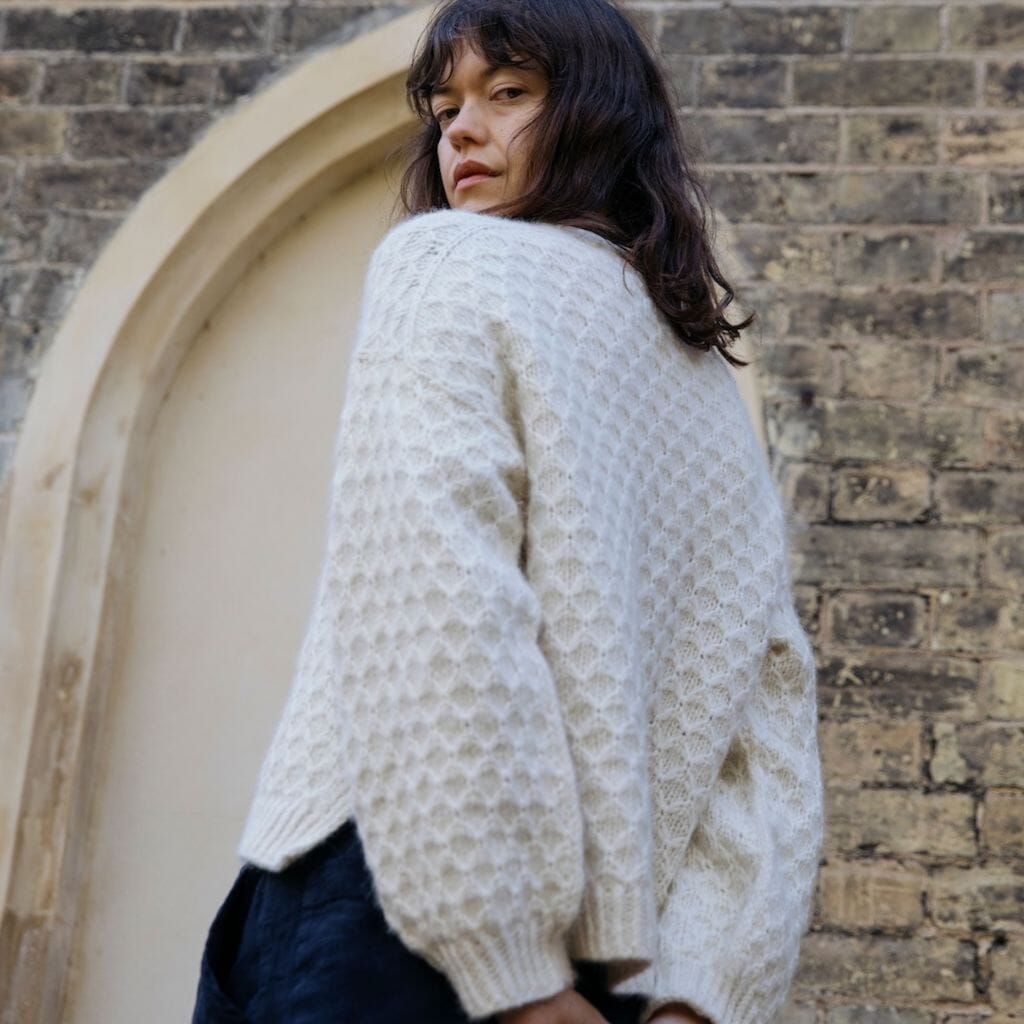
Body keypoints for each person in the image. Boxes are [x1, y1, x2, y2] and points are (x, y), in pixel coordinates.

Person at [190, 0, 826, 1022]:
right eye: (444, 109)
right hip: (605, 963)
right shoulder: (704, 375)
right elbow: (765, 726)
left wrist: (508, 970)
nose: (462, 132)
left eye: (508, 94)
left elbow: (435, 605)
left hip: (396, 913)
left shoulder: (444, 262)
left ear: (599, 112)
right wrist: (702, 994)